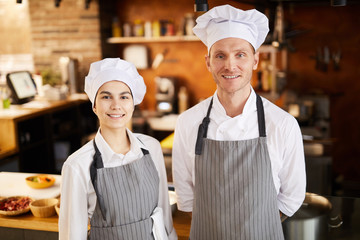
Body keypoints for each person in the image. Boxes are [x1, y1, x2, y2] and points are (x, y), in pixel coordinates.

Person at [172, 4, 306, 240]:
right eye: (220, 55)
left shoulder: (283, 124)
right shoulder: (188, 122)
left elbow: (292, 197)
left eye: (240, 55)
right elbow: (186, 195)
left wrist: (256, 227)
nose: (230, 66)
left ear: (255, 60)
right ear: (208, 62)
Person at [59, 58, 177, 240]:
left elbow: (164, 218)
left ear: (132, 103)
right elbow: (72, 235)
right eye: (106, 97)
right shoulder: (77, 165)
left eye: (124, 97)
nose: (116, 105)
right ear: (94, 106)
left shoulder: (151, 148)